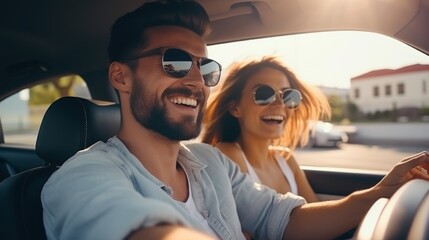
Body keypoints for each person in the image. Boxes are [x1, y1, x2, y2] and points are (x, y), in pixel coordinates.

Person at [41, 1, 429, 240]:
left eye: (206, 68)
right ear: (121, 76)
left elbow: (284, 219)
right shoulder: (82, 175)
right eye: (173, 62)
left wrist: (382, 191)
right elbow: (130, 226)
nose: (195, 81)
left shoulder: (211, 163)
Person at [202, 56, 331, 203]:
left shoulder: (286, 159)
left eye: (288, 96)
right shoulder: (229, 154)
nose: (279, 104)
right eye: (264, 94)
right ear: (235, 108)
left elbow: (316, 212)